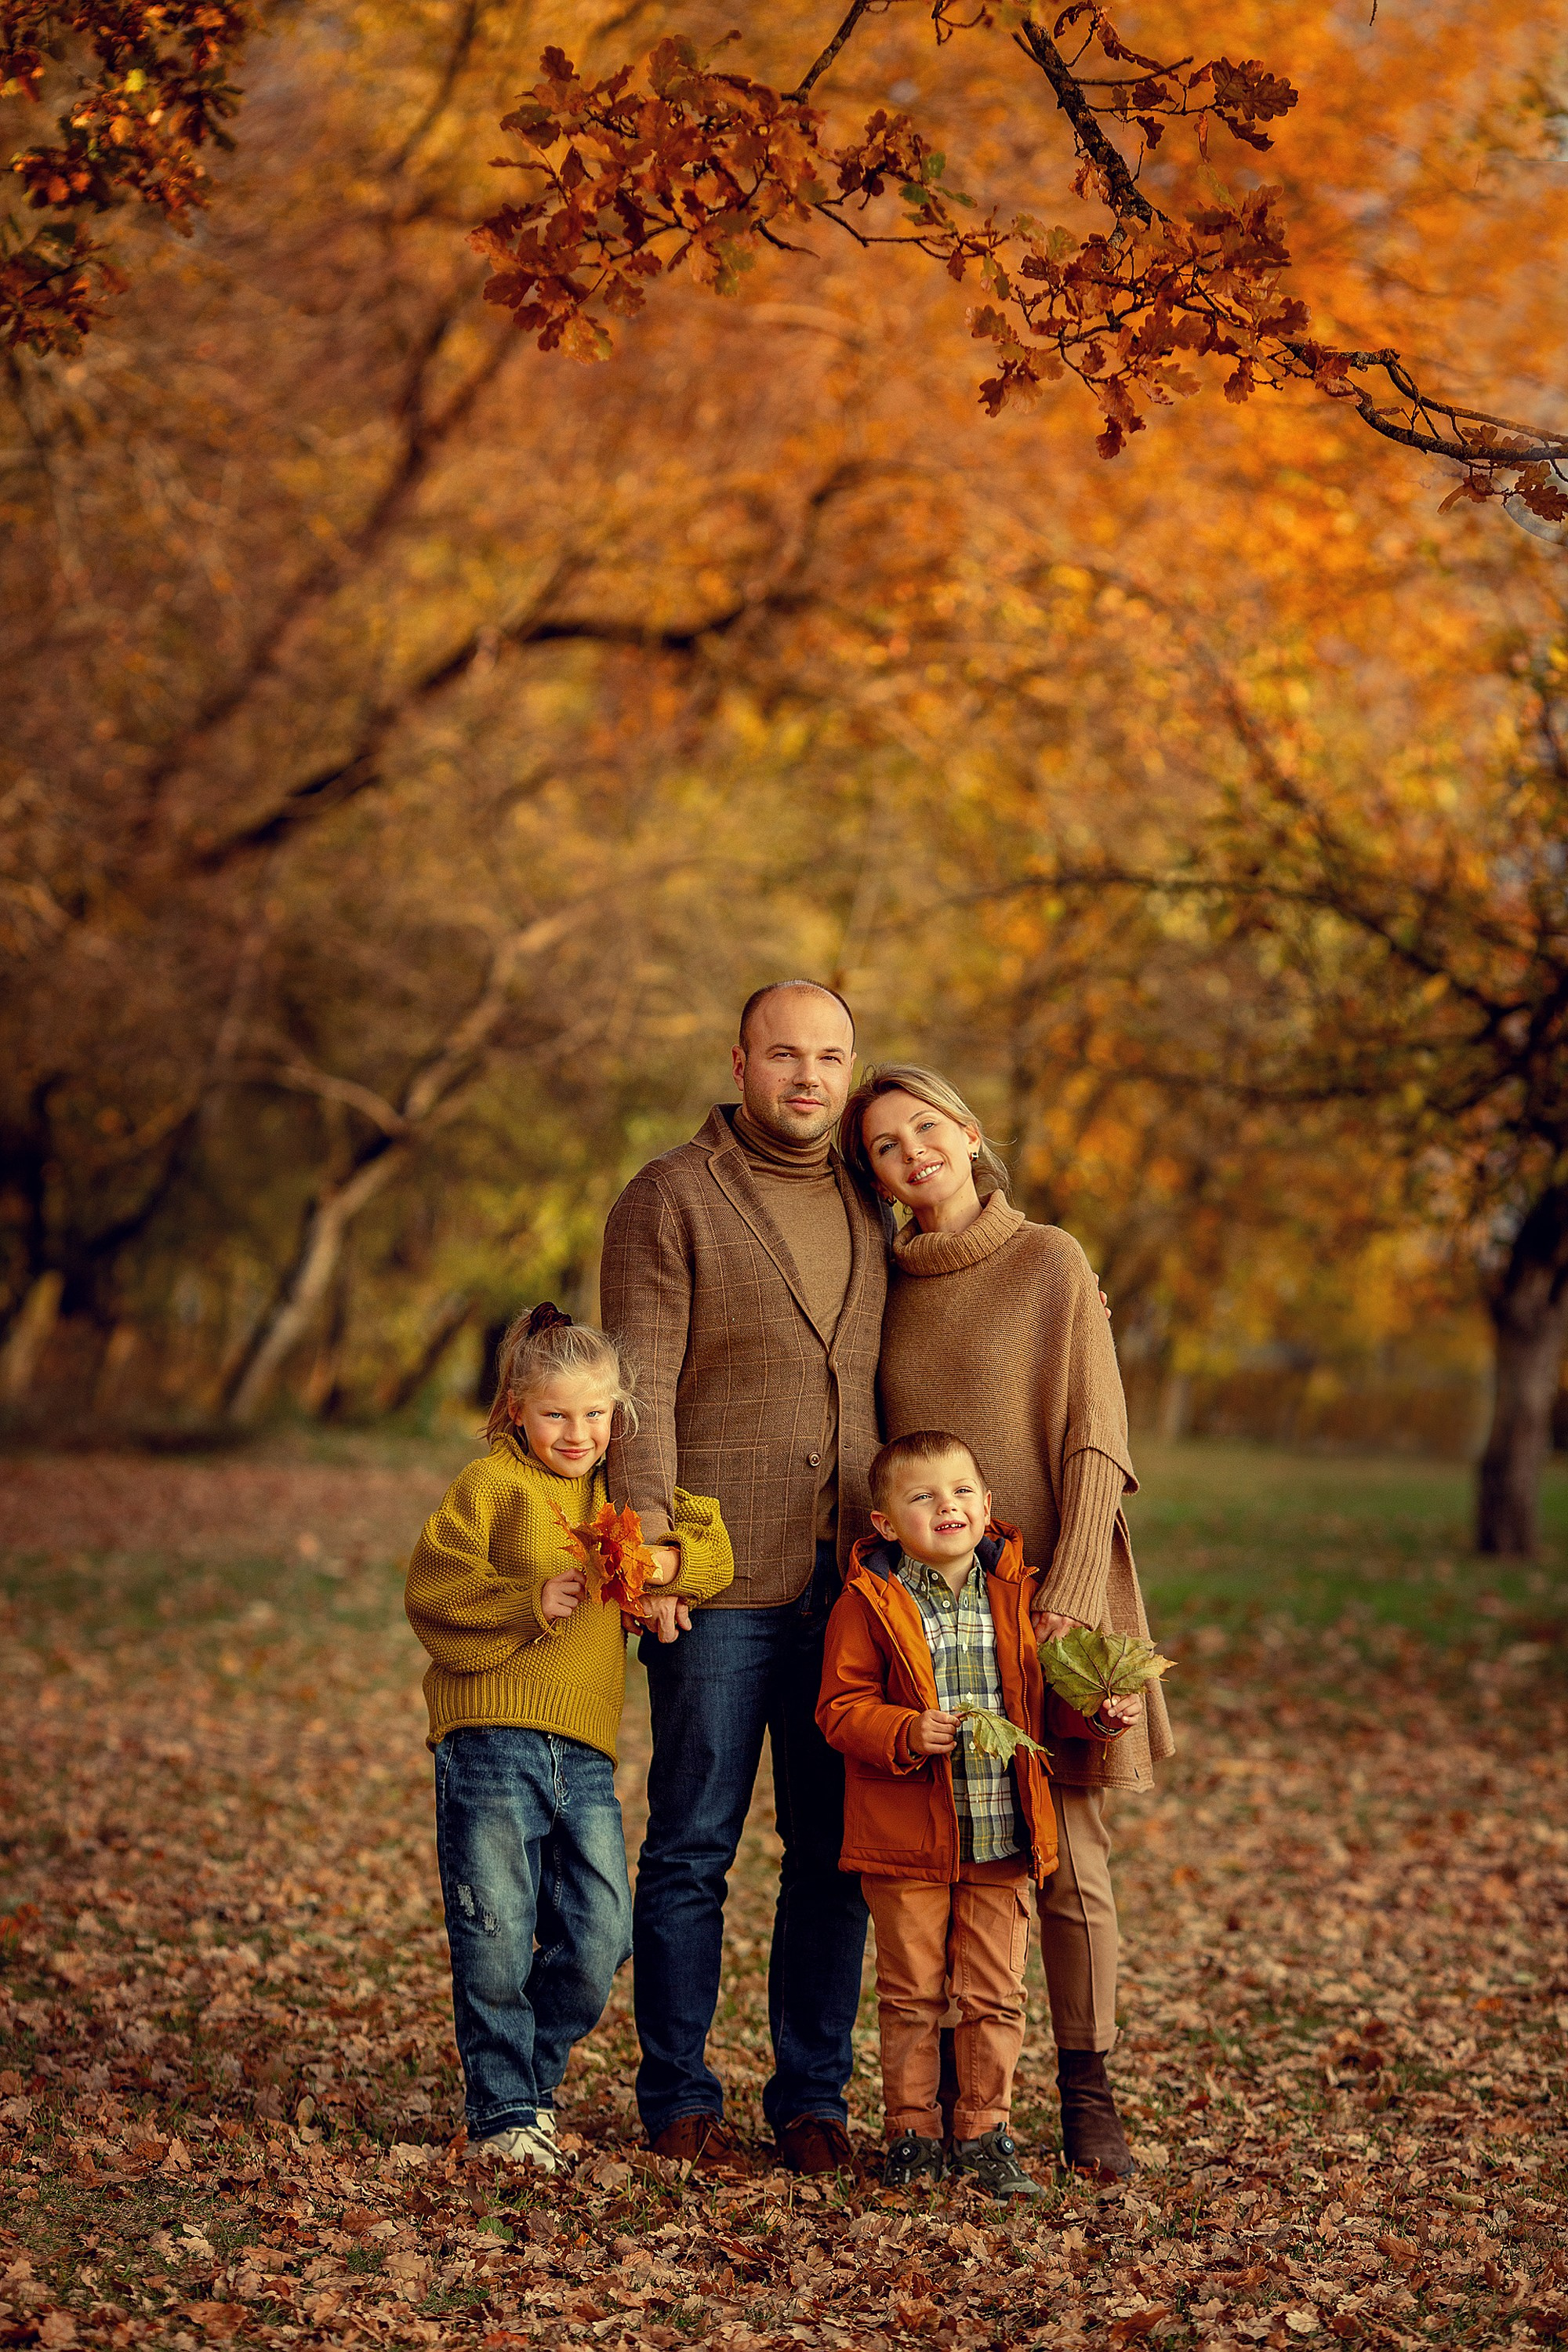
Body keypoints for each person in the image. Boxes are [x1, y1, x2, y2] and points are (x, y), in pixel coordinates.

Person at [838, 1065, 1175, 2183]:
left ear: (971, 1133)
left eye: (926, 1129)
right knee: (944, 1855)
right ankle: (949, 2114)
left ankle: (1087, 2093)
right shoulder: (879, 1283)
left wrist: (1067, 1599)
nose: (912, 1155)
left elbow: (1097, 1437)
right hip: (928, 1617)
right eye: (884, 1146)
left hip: (1051, 1602)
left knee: (1067, 1859)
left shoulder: (1050, 1261)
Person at [600, 981, 887, 2174]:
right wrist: (649, 1551)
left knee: (834, 1857)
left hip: (855, 1584)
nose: (807, 1077)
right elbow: (638, 1387)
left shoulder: (873, 1194)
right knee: (692, 1848)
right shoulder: (670, 1195)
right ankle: (677, 2097)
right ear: (739, 1063)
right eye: (784, 1055)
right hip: (715, 1581)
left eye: (829, 1057)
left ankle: (812, 2099)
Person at [405, 1303, 733, 2171]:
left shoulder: (620, 1497)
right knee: (496, 1931)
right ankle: (506, 2112)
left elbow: (715, 1545)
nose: (578, 1433)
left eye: (595, 1414)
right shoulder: (488, 1486)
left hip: (583, 1754)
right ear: (517, 1409)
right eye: (556, 1414)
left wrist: (661, 1565)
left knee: (600, 1935)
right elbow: (431, 1595)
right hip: (489, 1741)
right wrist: (527, 1602)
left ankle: (523, 2080)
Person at [818, 1431, 1137, 2198]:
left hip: (1001, 1835)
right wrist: (902, 1730)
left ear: (987, 1507)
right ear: (885, 1523)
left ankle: (984, 2133)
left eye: (961, 1491)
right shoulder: (867, 1602)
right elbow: (839, 1707)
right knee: (912, 1995)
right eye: (923, 1496)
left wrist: (1098, 1715)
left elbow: (1047, 1702)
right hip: (906, 1844)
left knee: (995, 1993)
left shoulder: (1020, 1595)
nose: (947, 1506)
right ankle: (911, 2133)